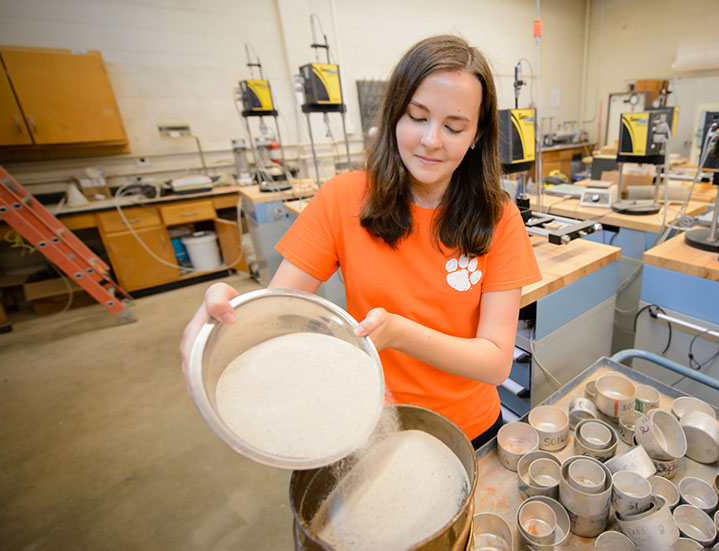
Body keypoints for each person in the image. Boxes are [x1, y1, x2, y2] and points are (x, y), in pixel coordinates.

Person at [180, 35, 541, 448]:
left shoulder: (498, 217)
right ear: (394, 116)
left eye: (454, 127)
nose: (431, 140)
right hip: (370, 423)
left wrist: (401, 333)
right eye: (417, 117)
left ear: (477, 135)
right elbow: (275, 316)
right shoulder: (343, 198)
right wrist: (226, 316)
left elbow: (496, 362)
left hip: (469, 431)